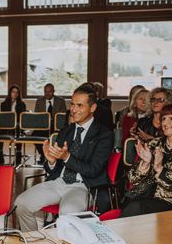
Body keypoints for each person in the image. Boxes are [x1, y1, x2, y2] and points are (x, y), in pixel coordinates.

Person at [14, 84, 113, 231]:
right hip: (58, 182)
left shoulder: (104, 134)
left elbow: (93, 170)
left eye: (80, 105)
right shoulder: (66, 131)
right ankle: (34, 243)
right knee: (20, 203)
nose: (73, 110)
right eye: (72, 104)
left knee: (66, 214)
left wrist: (67, 157)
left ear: (92, 108)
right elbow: (50, 168)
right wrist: (51, 161)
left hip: (84, 186)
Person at [122, 102, 172, 217]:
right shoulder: (154, 143)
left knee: (137, 207)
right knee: (132, 204)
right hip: (143, 196)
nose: (165, 123)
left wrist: (159, 168)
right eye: (164, 118)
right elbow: (132, 179)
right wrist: (145, 164)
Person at [34, 83, 67, 163]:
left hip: (55, 126)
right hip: (43, 126)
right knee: (34, 135)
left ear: (53, 91)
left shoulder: (61, 101)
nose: (47, 94)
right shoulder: (39, 101)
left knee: (59, 137)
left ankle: (54, 156)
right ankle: (43, 154)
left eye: (49, 92)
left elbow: (63, 116)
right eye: (45, 91)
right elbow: (37, 115)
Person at [0, 85, 26, 165]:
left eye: (17, 92)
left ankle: (18, 157)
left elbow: (21, 118)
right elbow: (4, 117)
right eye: (13, 92)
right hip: (6, 125)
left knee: (18, 132)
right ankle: (0, 156)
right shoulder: (3, 104)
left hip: (16, 125)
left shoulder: (22, 104)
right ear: (10, 93)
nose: (15, 94)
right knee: (0, 132)